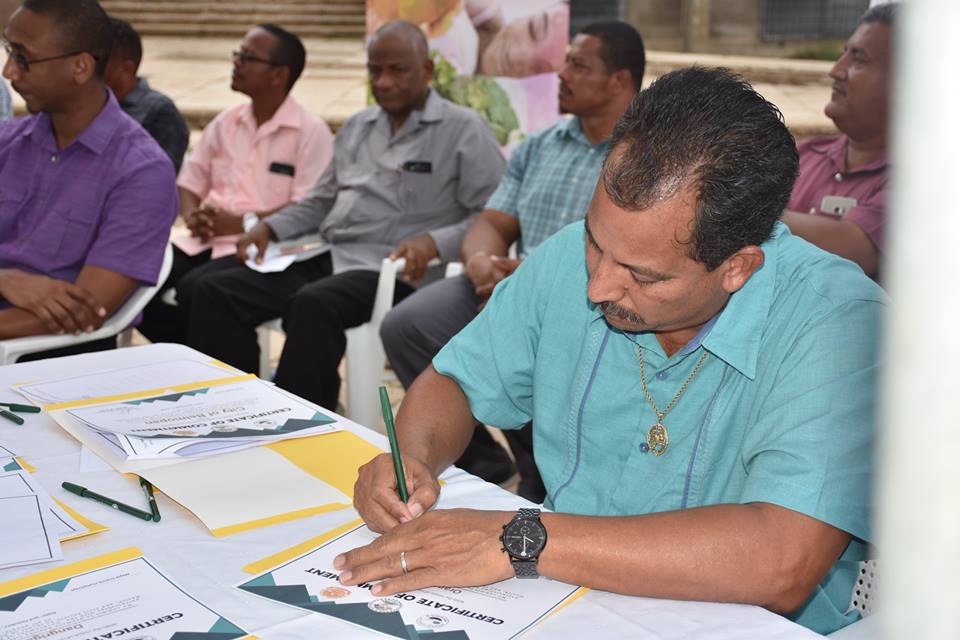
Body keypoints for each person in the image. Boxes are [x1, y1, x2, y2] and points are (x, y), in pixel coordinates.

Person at [342, 68, 885, 636]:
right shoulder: (565, 261)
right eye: (594, 242)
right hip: (562, 602)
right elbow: (457, 380)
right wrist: (412, 458)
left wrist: (522, 538)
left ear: (738, 267)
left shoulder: (840, 323)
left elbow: (781, 560)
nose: (599, 286)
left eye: (642, 276)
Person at [181, 20, 504, 411]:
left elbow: (493, 215)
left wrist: (434, 242)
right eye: (374, 70)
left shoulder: (463, 129)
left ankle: (301, 418)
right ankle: (236, 408)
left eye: (397, 70)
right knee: (212, 290)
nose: (383, 82)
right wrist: (268, 227)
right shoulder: (358, 126)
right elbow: (321, 200)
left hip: (396, 269)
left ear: (427, 70)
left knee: (313, 304)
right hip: (333, 253)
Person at [381, 21, 645, 499]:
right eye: (565, 62)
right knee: (409, 324)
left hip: (591, 293)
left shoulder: (645, 159)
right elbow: (493, 221)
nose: (561, 74)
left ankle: (545, 473)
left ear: (619, 81)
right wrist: (482, 261)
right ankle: (488, 460)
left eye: (578, 66)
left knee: (542, 349)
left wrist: (528, 286)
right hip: (506, 281)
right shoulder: (542, 144)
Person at [137, 23, 333, 345]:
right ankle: (194, 353)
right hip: (204, 241)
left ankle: (218, 363)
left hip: (266, 248)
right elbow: (190, 182)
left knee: (196, 290)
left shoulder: (311, 133)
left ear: (279, 75)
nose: (237, 63)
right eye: (237, 55)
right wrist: (192, 215)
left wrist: (244, 223)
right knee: (137, 277)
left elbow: (310, 205)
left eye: (247, 58)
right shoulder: (226, 122)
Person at [0, 0, 176, 351]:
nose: (9, 71)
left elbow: (88, 311)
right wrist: (6, 279)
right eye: (9, 52)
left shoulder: (142, 171)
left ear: (80, 67)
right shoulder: (8, 141)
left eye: (23, 58)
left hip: (48, 357)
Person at [783, 3, 894, 280]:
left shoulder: (923, 185)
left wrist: (736, 210)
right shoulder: (804, 155)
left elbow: (854, 247)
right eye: (843, 54)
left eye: (858, 59)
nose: (836, 70)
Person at [103, 16, 189, 171]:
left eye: (99, 61)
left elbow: (161, 174)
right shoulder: (83, 105)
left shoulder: (160, 112)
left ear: (126, 68)